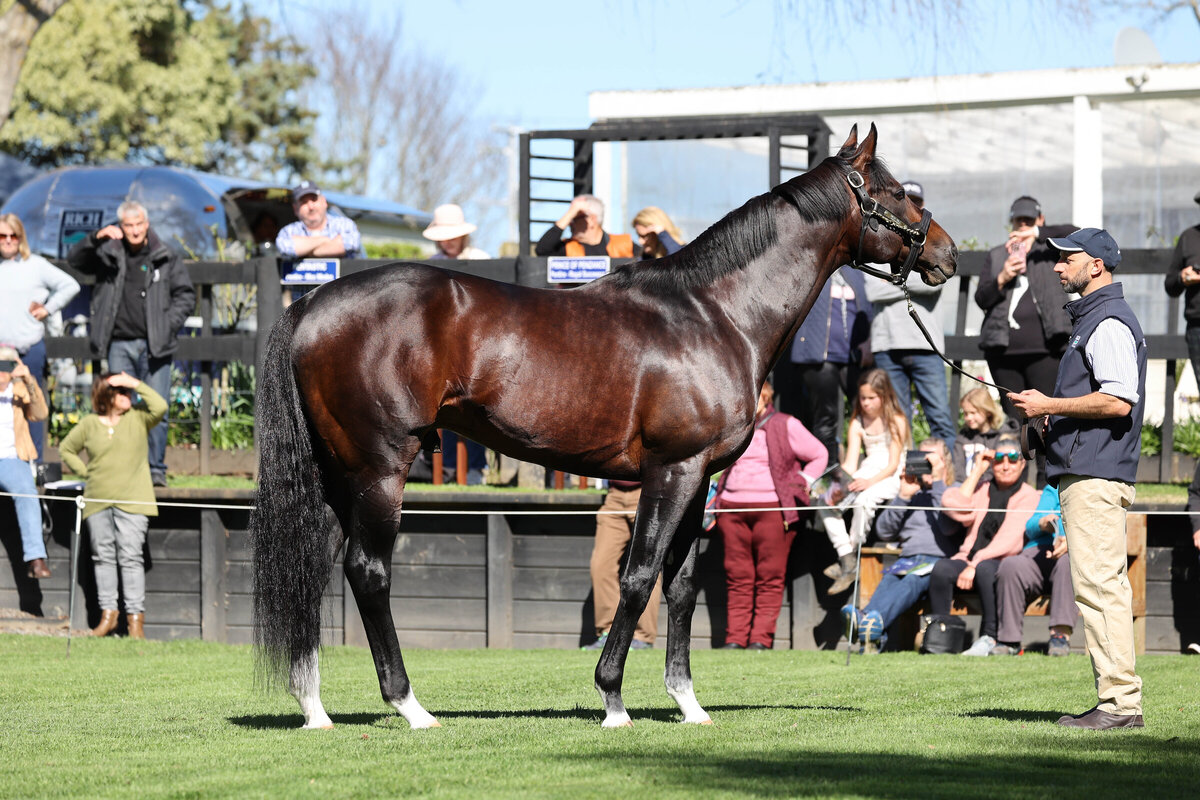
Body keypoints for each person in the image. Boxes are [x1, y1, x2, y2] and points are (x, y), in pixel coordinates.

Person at [1009, 227, 1148, 730]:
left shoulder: (1107, 320)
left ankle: (1119, 706)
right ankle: (1117, 703)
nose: (1058, 266)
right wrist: (1052, 419)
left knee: (1099, 589)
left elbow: (1117, 399)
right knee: (1097, 587)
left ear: (1099, 265)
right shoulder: (1093, 319)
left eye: (1069, 258)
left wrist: (1050, 405)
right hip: (1089, 470)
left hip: (1095, 474)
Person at [67, 201, 195, 487]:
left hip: (155, 346)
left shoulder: (165, 255)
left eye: (139, 224)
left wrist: (166, 324)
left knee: (157, 408)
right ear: (120, 227)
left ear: (146, 224)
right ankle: (124, 468)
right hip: (118, 344)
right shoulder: (108, 252)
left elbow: (186, 295)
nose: (135, 230)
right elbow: (75, 259)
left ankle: (155, 469)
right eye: (129, 225)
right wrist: (96, 237)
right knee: (119, 408)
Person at [712, 379, 827, 649]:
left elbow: (819, 454)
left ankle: (760, 640)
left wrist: (801, 481)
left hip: (773, 510)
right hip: (731, 508)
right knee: (737, 576)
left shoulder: (785, 423)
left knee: (770, 576)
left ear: (766, 396)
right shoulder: (731, 425)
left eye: (756, 395)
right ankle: (735, 639)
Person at [59, 372, 167, 639]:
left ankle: (135, 624)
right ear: (106, 395)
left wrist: (135, 383)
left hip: (133, 499)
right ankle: (108, 618)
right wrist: (86, 472)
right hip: (97, 499)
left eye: (127, 391)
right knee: (102, 557)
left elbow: (161, 406)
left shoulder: (139, 417)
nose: (127, 396)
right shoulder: (88, 424)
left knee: (131, 558)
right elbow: (65, 449)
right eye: (121, 392)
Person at [842, 438, 963, 653]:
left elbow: (948, 527)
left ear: (944, 462)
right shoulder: (912, 493)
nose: (925, 463)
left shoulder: (953, 491)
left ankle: (867, 622)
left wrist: (936, 482)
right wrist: (903, 496)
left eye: (931, 459)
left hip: (938, 562)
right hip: (907, 558)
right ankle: (869, 628)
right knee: (889, 579)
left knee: (911, 581)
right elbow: (884, 531)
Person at [928, 435, 1038, 656]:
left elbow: (1009, 541)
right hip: (968, 558)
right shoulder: (982, 488)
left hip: (1001, 562)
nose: (1005, 465)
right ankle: (940, 637)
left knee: (986, 569)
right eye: (998, 459)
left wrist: (974, 564)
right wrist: (978, 470)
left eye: (1013, 458)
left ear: (1022, 463)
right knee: (942, 569)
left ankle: (990, 637)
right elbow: (953, 506)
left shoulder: (1031, 496)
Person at [865, 181, 955, 444]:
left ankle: (946, 478)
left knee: (939, 417)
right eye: (907, 201)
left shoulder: (931, 245)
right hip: (887, 346)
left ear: (923, 208)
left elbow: (935, 284)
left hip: (924, 346)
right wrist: (909, 280)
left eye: (917, 202)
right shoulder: (880, 242)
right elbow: (871, 290)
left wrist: (890, 279)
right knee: (897, 421)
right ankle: (905, 479)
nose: (912, 207)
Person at [975, 196, 1077, 425]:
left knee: (1046, 419)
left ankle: (1044, 463)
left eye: (1029, 221)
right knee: (1015, 420)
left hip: (1046, 350)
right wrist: (1002, 277)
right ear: (1011, 222)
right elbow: (982, 299)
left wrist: (1037, 234)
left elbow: (1078, 233)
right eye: (1019, 221)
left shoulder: (1052, 251)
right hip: (1003, 352)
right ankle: (1016, 461)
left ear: (1040, 220)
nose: (1023, 225)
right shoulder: (997, 255)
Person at [819, 368, 907, 595]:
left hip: (891, 474)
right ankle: (847, 556)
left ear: (884, 396)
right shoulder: (857, 422)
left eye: (871, 398)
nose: (866, 403)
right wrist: (836, 485)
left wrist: (868, 481)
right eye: (863, 398)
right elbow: (850, 462)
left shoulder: (897, 420)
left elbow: (893, 463)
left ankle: (853, 553)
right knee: (824, 501)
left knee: (864, 501)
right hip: (866, 471)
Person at [0, 213, 81, 461]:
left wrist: (48, 308)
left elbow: (71, 285)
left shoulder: (36, 265)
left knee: (33, 407)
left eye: (13, 235)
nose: (8, 240)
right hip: (1, 352)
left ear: (21, 237)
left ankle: (33, 466)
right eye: (2, 235)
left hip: (29, 348)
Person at [777, 266, 873, 466]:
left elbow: (866, 309)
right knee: (826, 417)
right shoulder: (814, 268)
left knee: (867, 410)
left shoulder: (855, 272)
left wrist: (867, 341)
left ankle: (869, 467)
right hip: (818, 356)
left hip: (852, 356)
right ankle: (827, 473)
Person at [991, 483, 1077, 656]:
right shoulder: (1053, 488)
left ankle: (1060, 637)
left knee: (1068, 563)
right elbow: (1030, 527)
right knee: (1010, 566)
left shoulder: (1092, 489)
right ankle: (1009, 641)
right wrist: (1042, 523)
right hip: (1038, 552)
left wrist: (1070, 541)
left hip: (1072, 553)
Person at [585, 477, 659, 651]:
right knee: (600, 566)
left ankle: (643, 637)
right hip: (614, 496)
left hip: (647, 491)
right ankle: (608, 634)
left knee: (647, 565)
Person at [0, 346, 51, 578]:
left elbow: (40, 414)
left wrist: (28, 378)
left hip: (12, 458)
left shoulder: (20, 391)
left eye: (6, 367)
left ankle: (36, 558)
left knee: (27, 491)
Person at [275, 180, 363, 259]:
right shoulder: (287, 232)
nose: (311, 207)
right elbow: (286, 248)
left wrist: (305, 250)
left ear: (324, 202)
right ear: (295, 209)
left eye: (314, 200)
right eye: (304, 202)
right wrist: (325, 240)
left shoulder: (345, 225)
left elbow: (351, 244)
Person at [950, 387, 1016, 483]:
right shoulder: (963, 436)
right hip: (964, 485)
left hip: (990, 486)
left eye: (973, 412)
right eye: (965, 413)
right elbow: (958, 466)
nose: (968, 417)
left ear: (988, 412)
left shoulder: (1002, 435)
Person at [534, 194, 633, 258]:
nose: (569, 223)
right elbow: (542, 250)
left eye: (575, 217)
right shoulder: (568, 247)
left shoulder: (624, 244)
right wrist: (570, 214)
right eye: (570, 218)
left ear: (591, 220)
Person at [423, 203, 490, 260]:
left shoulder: (479, 258)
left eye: (452, 238)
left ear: (462, 236)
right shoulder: (434, 261)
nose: (446, 243)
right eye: (441, 240)